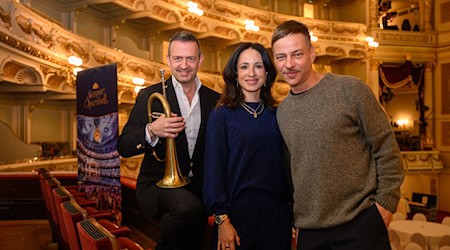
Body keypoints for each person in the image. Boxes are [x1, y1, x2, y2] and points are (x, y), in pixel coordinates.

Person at [271, 20, 404, 250]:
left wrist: (385, 205)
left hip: (361, 224)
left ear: (312, 54)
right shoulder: (282, 111)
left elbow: (387, 149)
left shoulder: (351, 90)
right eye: (281, 57)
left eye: (297, 54)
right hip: (310, 232)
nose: (289, 64)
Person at [117, 31, 220, 250]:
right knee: (188, 207)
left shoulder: (215, 100)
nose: (184, 65)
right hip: (157, 185)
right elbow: (124, 146)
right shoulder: (149, 95)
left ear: (200, 60)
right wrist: (152, 130)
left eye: (190, 58)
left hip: (198, 187)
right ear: (168, 59)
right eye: (178, 58)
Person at [203, 43, 293, 250]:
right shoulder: (221, 115)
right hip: (236, 217)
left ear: (267, 73)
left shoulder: (278, 113)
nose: (251, 73)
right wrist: (222, 220)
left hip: (277, 216)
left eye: (258, 66)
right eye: (244, 67)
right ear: (235, 73)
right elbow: (214, 170)